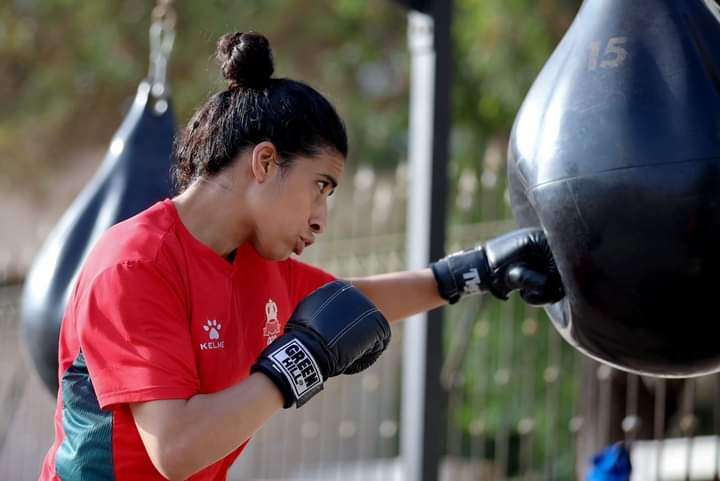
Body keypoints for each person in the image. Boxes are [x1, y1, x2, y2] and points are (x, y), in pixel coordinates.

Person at [38, 31, 564, 481]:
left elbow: (354, 302)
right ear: (265, 161)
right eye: (320, 186)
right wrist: (296, 365)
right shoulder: (137, 262)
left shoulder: (258, 266)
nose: (320, 217)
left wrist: (475, 272)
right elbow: (175, 449)